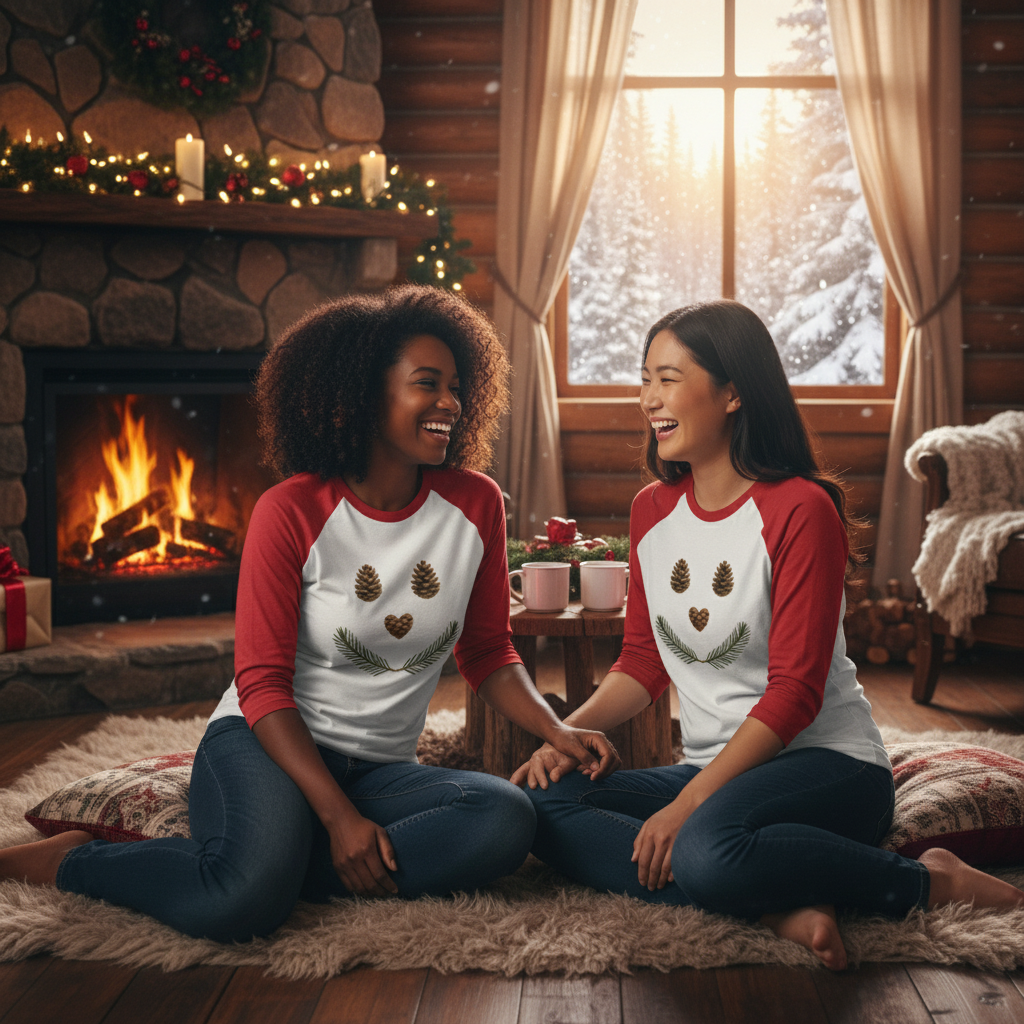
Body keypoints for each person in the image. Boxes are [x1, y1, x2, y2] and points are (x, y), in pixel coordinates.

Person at [1, 285, 614, 942]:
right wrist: (337, 819)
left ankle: (272, 863)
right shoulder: (290, 509)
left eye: (457, 387)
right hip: (265, 744)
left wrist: (555, 729)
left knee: (503, 817)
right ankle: (73, 860)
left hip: (380, 769)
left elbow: (488, 651)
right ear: (363, 394)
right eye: (426, 384)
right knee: (238, 903)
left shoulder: (476, 504)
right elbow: (262, 683)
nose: (450, 403)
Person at [514, 300, 1024, 971]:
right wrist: (563, 736)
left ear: (732, 392)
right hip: (718, 773)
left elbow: (795, 694)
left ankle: (929, 881)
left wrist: (687, 808)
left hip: (828, 767)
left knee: (701, 847)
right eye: (644, 380)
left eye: (668, 378)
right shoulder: (652, 510)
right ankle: (772, 897)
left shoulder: (800, 509)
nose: (649, 399)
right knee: (538, 802)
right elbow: (642, 661)